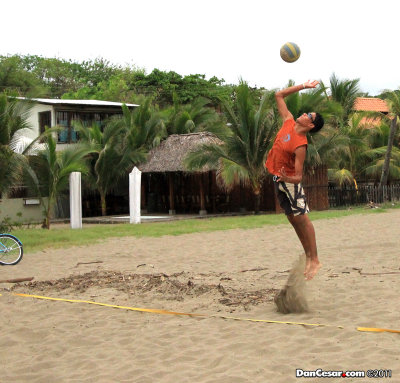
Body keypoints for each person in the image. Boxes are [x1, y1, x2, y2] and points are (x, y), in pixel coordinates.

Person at [265, 80, 324, 280]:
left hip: (290, 183)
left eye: (310, 116)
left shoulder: (301, 145)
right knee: (292, 219)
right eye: (307, 112)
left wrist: (285, 177)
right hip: (278, 179)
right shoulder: (288, 121)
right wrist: (303, 87)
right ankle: (308, 255)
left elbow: (299, 177)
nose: (305, 114)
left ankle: (314, 258)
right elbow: (279, 95)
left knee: (303, 219)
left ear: (311, 125)